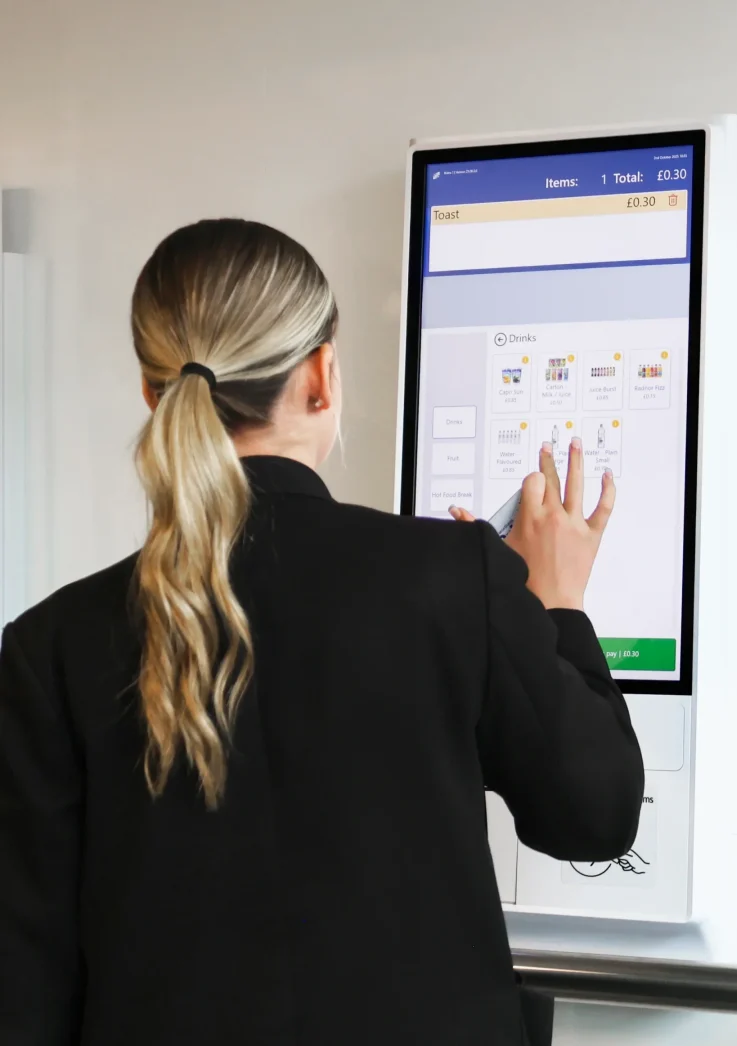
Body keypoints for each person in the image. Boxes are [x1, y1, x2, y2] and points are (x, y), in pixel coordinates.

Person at [0, 218, 644, 1046]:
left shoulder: (50, 645)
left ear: (155, 393)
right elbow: (594, 814)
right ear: (321, 375)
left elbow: (26, 980)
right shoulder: (453, 576)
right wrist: (555, 605)